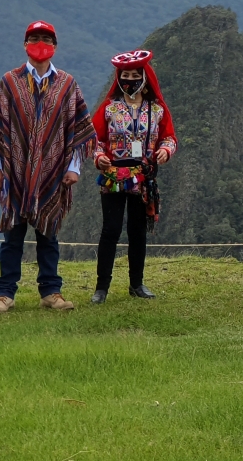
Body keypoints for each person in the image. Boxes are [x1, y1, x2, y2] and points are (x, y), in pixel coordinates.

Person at [0, 21, 96, 314]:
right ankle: (5, 294)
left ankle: (51, 292)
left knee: (48, 235)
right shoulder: (9, 82)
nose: (40, 43)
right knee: (12, 236)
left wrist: (74, 168)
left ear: (54, 45)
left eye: (45, 38)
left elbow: (77, 130)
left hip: (52, 173)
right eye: (34, 38)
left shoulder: (67, 84)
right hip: (14, 172)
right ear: (25, 43)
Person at [91, 51, 177, 304]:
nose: (129, 79)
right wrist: (99, 157)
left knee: (137, 231)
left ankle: (136, 284)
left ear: (144, 77)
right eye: (125, 75)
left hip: (143, 176)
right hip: (114, 176)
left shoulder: (157, 110)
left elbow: (169, 137)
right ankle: (101, 287)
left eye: (134, 75)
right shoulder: (110, 109)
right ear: (118, 78)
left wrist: (165, 151)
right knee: (111, 230)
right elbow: (95, 139)